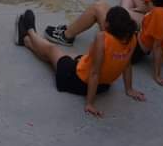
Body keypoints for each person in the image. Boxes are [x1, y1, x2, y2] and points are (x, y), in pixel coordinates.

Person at [14, 6, 145, 117]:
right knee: (63, 58)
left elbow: (94, 73)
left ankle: (30, 31)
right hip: (103, 86)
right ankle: (25, 41)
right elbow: (127, 65)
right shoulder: (131, 39)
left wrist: (89, 103)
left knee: (52, 50)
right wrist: (129, 89)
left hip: (76, 80)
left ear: (107, 25)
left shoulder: (103, 38)